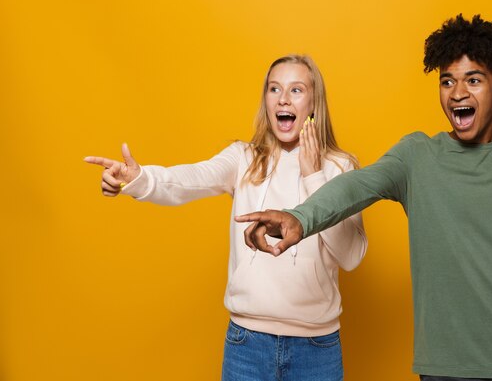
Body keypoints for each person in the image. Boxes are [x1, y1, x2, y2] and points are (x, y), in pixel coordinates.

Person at [236, 15, 492, 380]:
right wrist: (301, 217)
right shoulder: (418, 156)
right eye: (447, 81)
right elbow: (355, 186)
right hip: (445, 371)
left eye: (474, 80)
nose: (458, 93)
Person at [84, 54, 367, 381]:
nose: (283, 99)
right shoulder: (244, 158)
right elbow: (190, 179)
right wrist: (138, 178)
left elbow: (352, 256)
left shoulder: (340, 167)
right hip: (247, 344)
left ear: (314, 102)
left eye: (296, 90)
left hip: (316, 348)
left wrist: (313, 176)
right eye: (274, 89)